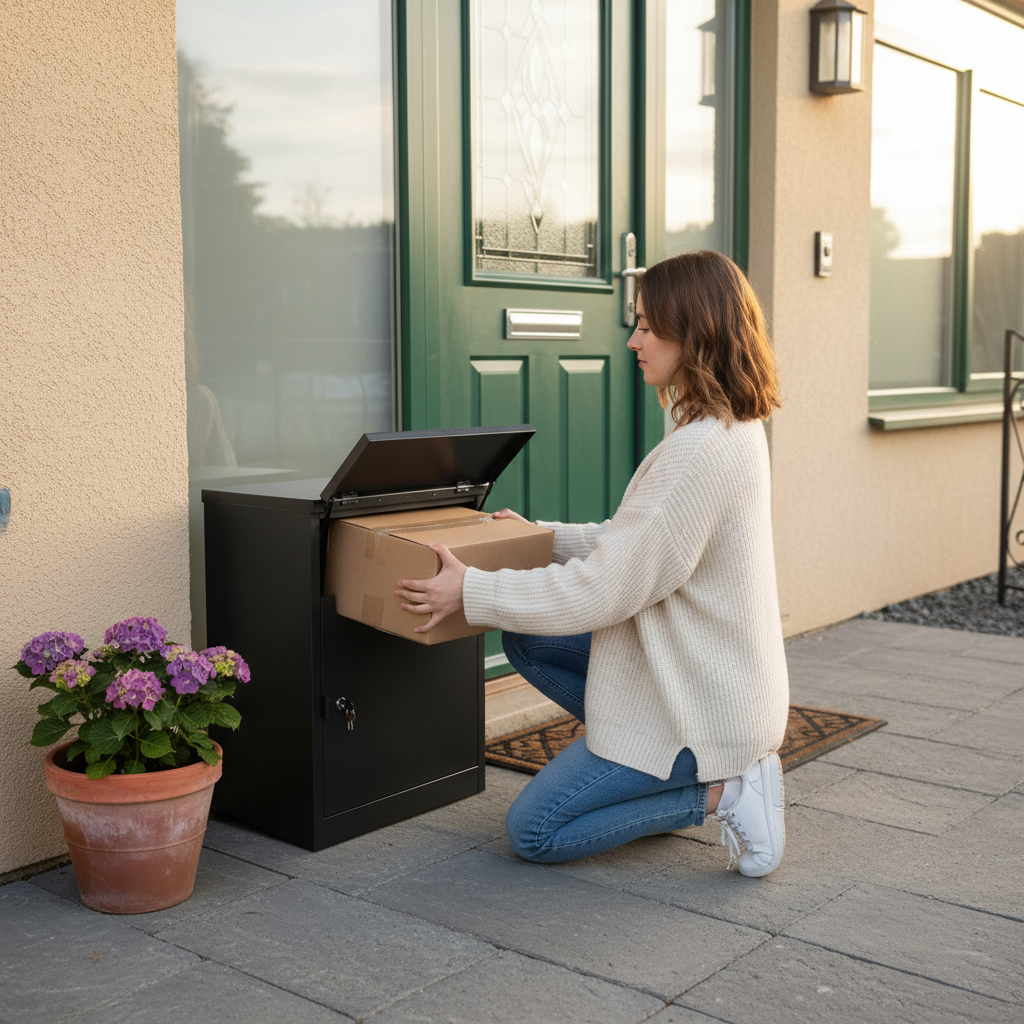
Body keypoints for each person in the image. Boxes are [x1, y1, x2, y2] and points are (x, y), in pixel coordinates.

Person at [395, 250, 789, 877]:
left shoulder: (697, 455)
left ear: (697, 331)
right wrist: (543, 537)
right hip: (700, 675)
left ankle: (722, 791)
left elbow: (602, 590)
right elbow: (633, 543)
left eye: (647, 326)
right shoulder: (727, 429)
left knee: (537, 832)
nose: (633, 340)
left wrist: (470, 592)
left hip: (703, 708)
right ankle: (634, 768)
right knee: (529, 635)